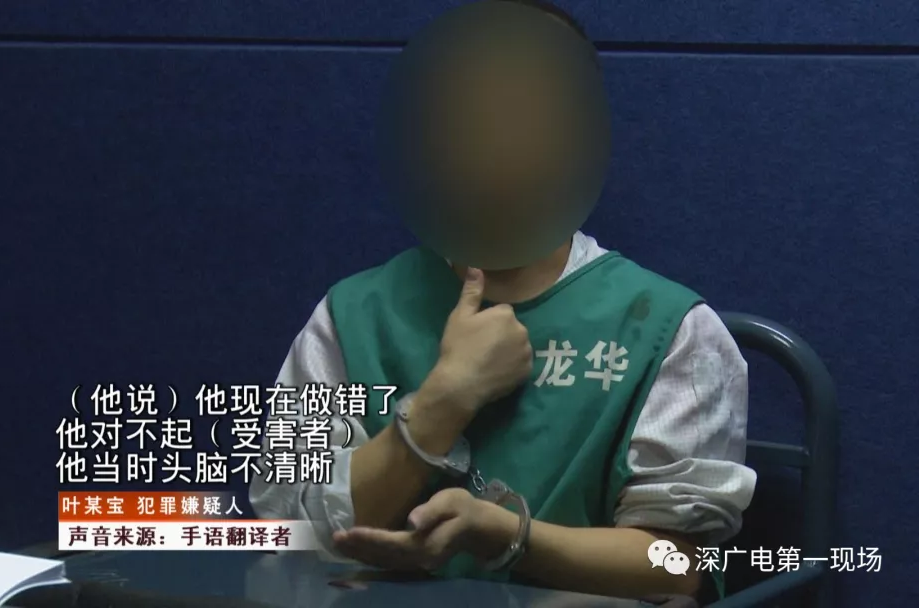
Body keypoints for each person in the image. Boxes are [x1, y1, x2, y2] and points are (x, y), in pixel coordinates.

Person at [250, 0, 755, 601]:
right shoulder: (350, 315)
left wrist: (510, 536)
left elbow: (679, 564)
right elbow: (290, 532)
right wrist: (443, 402)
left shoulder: (669, 330)